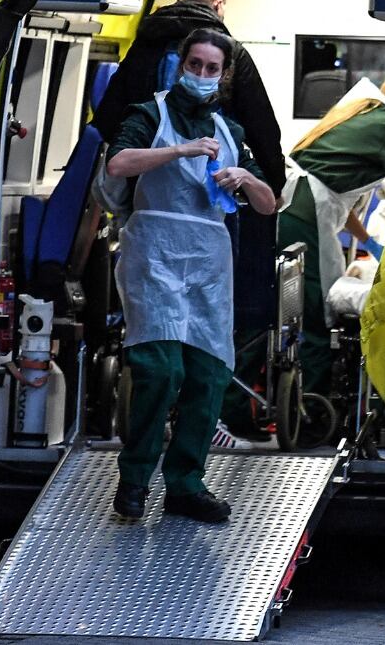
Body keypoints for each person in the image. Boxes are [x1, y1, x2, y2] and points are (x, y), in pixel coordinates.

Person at [108, 28, 276, 523]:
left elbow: (267, 204)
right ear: (180, 64)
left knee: (210, 374)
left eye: (212, 68)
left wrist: (245, 177)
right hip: (155, 255)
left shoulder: (230, 133)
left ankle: (184, 484)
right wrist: (179, 151)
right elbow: (120, 163)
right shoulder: (149, 115)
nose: (201, 74)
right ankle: (134, 479)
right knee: (162, 370)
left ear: (224, 77)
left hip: (206, 263)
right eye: (195, 64)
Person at [273, 60, 385, 400]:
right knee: (318, 308)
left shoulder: (366, 113)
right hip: (308, 211)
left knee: (299, 305)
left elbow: (343, 198)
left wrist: (368, 242)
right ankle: (313, 402)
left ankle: (302, 398)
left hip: (298, 207)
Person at [92, 0, 286, 198]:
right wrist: (274, 184)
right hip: (210, 183)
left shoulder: (145, 45)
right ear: (219, 4)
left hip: (144, 180)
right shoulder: (230, 53)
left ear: (179, 0)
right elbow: (261, 127)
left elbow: (108, 116)